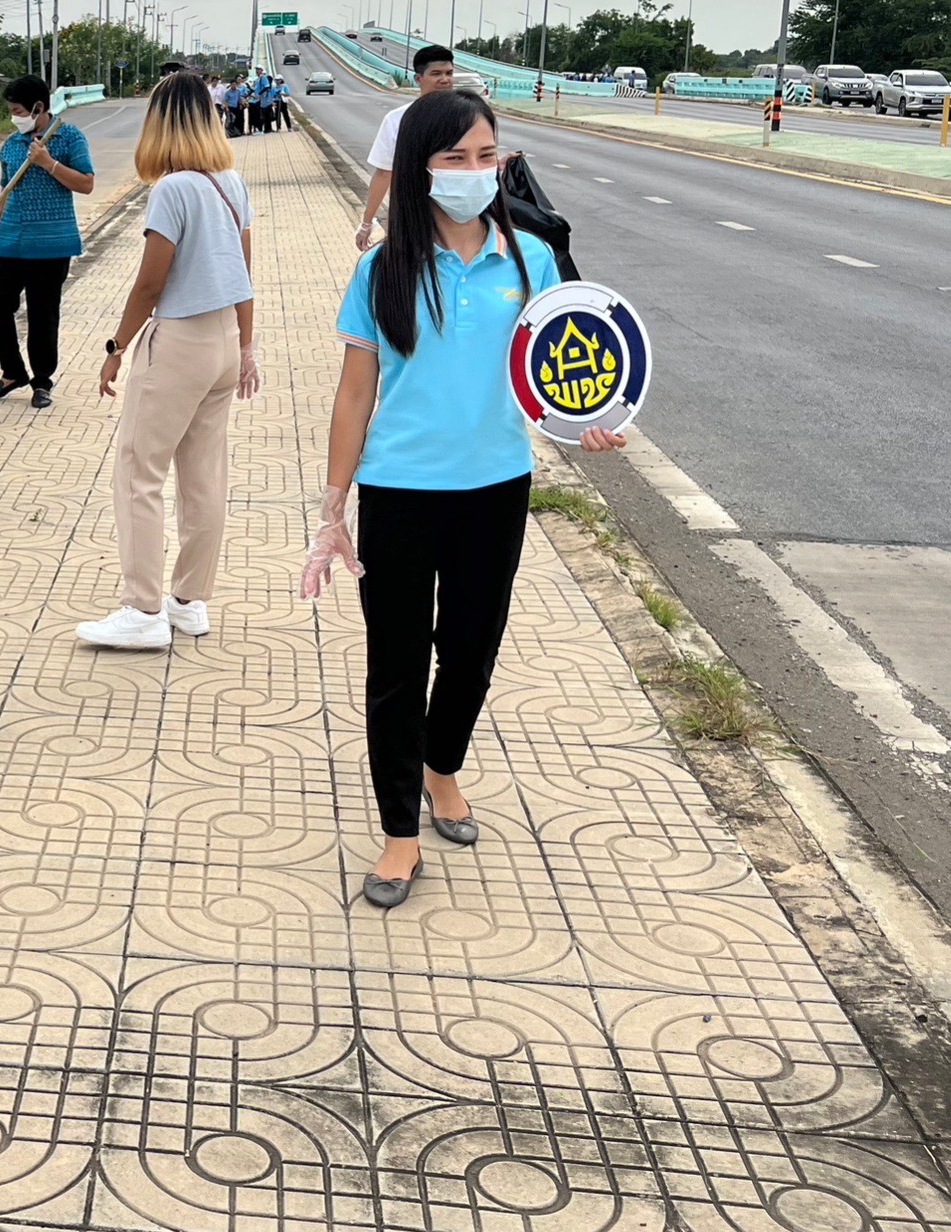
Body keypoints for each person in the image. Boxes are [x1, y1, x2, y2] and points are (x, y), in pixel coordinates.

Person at [301, 90, 626, 912]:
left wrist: (586, 421)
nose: (473, 173)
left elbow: (559, 375)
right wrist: (332, 509)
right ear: (420, 168)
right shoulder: (383, 268)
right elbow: (353, 392)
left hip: (495, 488)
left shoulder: (532, 262)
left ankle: (443, 765)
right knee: (396, 666)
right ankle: (399, 833)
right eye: (454, 159)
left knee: (472, 652)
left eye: (487, 157)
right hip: (400, 492)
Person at [77, 71, 260, 650]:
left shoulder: (172, 189)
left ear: (160, 124)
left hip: (178, 341)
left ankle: (141, 609)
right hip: (225, 342)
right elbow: (244, 278)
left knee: (139, 472)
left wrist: (116, 348)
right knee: (204, 477)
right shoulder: (232, 182)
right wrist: (247, 346)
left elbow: (150, 285)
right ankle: (188, 601)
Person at [0, 74, 96, 408]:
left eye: (18, 110)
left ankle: (42, 381)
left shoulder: (69, 137)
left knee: (43, 313)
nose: (14, 116)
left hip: (52, 243)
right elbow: (5, 193)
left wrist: (48, 163)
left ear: (39, 107)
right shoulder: (11, 145)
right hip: (12, 240)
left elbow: (86, 184)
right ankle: (12, 372)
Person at [355, 45, 457, 251]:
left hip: (458, 217)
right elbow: (384, 173)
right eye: (436, 74)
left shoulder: (468, 118)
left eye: (449, 73)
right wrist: (367, 223)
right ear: (418, 79)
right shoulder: (398, 120)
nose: (445, 80)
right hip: (411, 217)